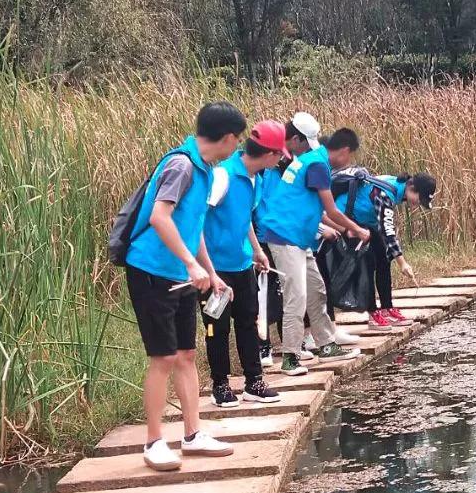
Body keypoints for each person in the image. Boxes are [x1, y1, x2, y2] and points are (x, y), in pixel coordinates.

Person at [124, 102, 244, 472]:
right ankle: (153, 442)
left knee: (186, 354)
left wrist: (210, 270)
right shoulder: (181, 165)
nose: (237, 147)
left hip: (180, 274)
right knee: (163, 357)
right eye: (237, 140)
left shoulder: (204, 169)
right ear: (227, 138)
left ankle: (193, 434)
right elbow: (160, 217)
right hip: (152, 271)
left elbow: (193, 228)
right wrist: (191, 265)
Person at [256, 122, 371, 376]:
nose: (348, 161)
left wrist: (344, 229)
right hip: (285, 237)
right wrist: (358, 229)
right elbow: (331, 209)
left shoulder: (308, 161)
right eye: (349, 155)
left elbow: (315, 208)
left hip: (298, 238)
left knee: (316, 290)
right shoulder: (316, 164)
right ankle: (290, 357)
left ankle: (326, 345)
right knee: (296, 297)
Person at [202, 120, 287, 408]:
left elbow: (245, 217)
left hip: (241, 265)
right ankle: (221, 385)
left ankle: (254, 382)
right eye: (279, 155)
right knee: (217, 327)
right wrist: (206, 270)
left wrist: (256, 251)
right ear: (270, 154)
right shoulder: (223, 176)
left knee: (248, 323)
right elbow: (198, 219)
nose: (280, 160)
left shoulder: (256, 179)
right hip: (216, 268)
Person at [332, 168, 437, 330]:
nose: (418, 204)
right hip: (347, 218)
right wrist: (403, 263)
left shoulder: (398, 187)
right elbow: (388, 232)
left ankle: (387, 308)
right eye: (419, 199)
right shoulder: (385, 195)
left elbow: (383, 228)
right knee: (368, 263)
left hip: (366, 222)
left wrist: (395, 255)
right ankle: (373, 313)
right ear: (412, 188)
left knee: (384, 258)